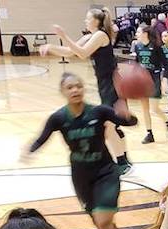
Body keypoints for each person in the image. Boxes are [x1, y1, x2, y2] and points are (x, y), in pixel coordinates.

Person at [24, 74, 137, 229]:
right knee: (100, 223)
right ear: (62, 91)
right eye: (70, 87)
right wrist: (29, 151)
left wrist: (128, 116)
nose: (75, 90)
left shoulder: (99, 111)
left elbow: (130, 122)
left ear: (84, 89)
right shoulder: (59, 118)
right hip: (81, 175)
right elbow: (42, 138)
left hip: (105, 172)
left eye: (78, 86)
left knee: (102, 220)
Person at [39, 9, 131, 173]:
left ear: (96, 21)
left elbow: (82, 54)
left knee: (107, 126)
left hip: (112, 84)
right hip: (104, 85)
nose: (85, 21)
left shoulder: (101, 35)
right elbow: (71, 52)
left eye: (88, 18)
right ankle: (125, 160)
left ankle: (123, 163)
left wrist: (63, 36)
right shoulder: (91, 36)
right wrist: (51, 47)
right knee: (112, 127)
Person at [132, 25, 168, 144]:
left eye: (138, 32)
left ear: (145, 33)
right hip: (143, 80)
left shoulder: (157, 46)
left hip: (154, 79)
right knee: (145, 109)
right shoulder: (137, 46)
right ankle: (149, 133)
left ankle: (167, 122)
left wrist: (164, 81)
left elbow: (165, 65)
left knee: (154, 108)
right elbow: (137, 64)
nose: (136, 34)